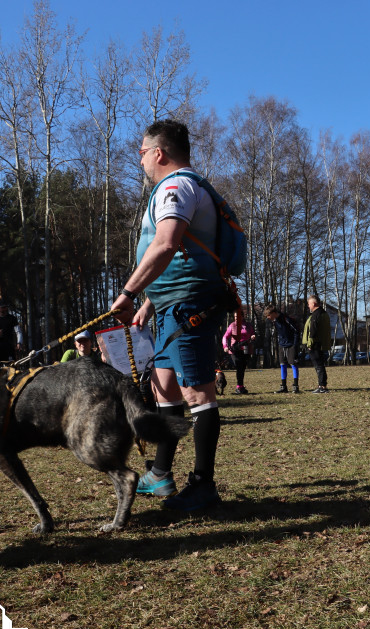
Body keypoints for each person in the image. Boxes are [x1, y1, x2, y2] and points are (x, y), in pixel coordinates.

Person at [110, 119, 223, 511]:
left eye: (141, 153)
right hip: (171, 304)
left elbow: (167, 243)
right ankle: (160, 475)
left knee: (198, 394)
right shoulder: (174, 187)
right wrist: (149, 302)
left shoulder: (176, 187)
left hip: (189, 304)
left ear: (158, 153)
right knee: (164, 390)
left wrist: (129, 292)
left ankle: (203, 485)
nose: (139, 161)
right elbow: (177, 256)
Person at [264, 304, 302, 393]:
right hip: (282, 345)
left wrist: (295, 344)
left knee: (293, 364)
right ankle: (283, 386)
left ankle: (295, 386)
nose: (268, 318)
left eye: (268, 315)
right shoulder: (275, 321)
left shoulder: (286, 319)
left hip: (291, 344)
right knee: (282, 364)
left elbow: (296, 331)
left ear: (273, 313)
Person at [222, 308, 256, 394]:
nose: (236, 318)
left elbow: (252, 333)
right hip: (235, 349)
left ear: (242, 316)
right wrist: (225, 346)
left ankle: (240, 386)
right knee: (239, 366)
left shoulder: (248, 325)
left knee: (242, 367)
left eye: (238, 317)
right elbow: (225, 337)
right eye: (235, 317)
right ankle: (239, 386)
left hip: (245, 349)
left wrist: (253, 336)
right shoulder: (232, 325)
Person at [302, 294, 331, 394]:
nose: (308, 306)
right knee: (320, 365)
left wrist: (309, 344)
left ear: (314, 303)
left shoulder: (316, 315)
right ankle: (322, 385)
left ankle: (322, 386)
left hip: (315, 344)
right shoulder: (323, 313)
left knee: (318, 366)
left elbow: (313, 330)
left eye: (309, 304)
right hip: (321, 343)